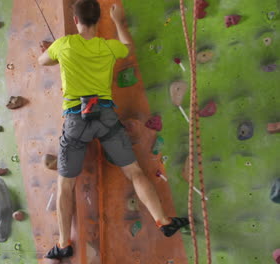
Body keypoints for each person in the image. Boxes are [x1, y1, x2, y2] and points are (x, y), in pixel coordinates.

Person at [37, 0, 189, 260]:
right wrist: (118, 21)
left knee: (65, 185)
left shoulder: (64, 44)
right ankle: (163, 220)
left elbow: (42, 61)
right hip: (105, 115)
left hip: (75, 119)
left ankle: (63, 243)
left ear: (75, 21)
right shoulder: (108, 46)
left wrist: (54, 52)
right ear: (98, 21)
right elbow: (128, 47)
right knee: (134, 171)